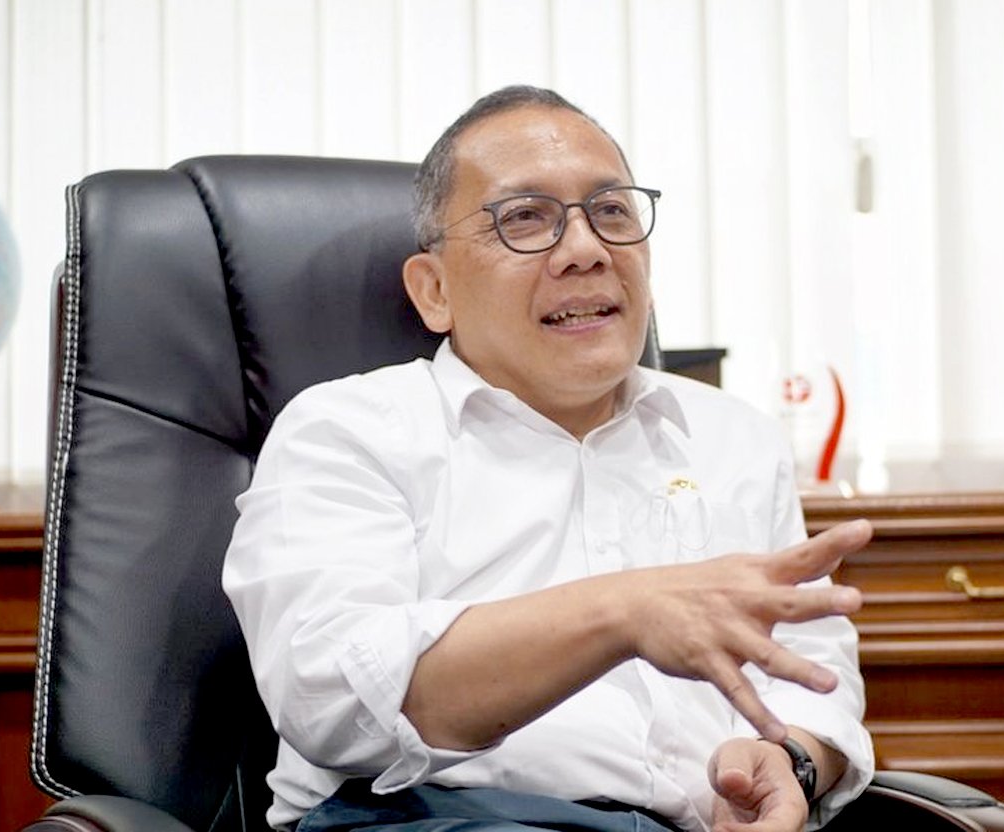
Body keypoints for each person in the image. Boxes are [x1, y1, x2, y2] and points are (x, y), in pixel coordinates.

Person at [222, 85, 874, 832]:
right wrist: (625, 611)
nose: (586, 250)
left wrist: (791, 761)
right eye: (525, 218)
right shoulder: (347, 431)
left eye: (611, 211)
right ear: (434, 290)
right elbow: (331, 698)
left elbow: (813, 668)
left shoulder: (734, 437)